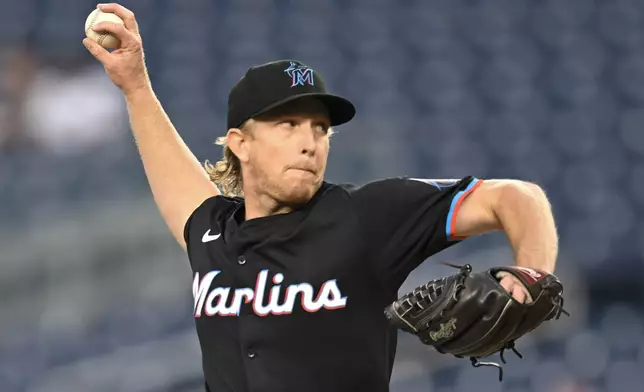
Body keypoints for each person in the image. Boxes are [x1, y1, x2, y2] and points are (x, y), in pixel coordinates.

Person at [83, 4, 559, 392]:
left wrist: (531, 273)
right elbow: (170, 171)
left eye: (320, 129)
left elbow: (516, 197)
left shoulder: (367, 214)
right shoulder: (212, 231)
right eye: (287, 125)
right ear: (240, 143)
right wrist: (135, 84)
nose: (309, 142)